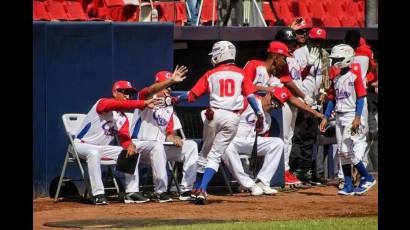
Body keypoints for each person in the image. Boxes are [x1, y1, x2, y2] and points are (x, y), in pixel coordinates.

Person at [173, 41, 264, 204]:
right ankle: (201, 189)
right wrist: (259, 114)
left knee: (205, 152)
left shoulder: (210, 73)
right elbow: (250, 97)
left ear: (218, 55)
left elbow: (192, 95)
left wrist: (174, 99)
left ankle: (197, 187)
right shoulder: (241, 74)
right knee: (215, 155)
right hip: (233, 117)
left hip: (213, 114)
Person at [222, 83, 324, 196]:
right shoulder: (249, 101)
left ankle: (262, 182)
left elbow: (262, 137)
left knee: (277, 143)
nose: (274, 106)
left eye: (278, 105)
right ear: (268, 95)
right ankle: (248, 184)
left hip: (251, 143)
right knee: (226, 147)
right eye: (274, 102)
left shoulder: (268, 118)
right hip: (233, 140)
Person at [73, 80, 157, 205]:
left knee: (132, 153)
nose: (127, 96)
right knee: (93, 153)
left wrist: (130, 146)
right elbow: (116, 105)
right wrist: (143, 103)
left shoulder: (122, 118)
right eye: (124, 92)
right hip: (81, 145)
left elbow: (125, 139)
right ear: (114, 92)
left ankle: (131, 192)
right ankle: (98, 194)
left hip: (102, 148)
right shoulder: (102, 103)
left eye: (130, 94)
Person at [130, 69, 199, 201]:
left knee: (191, 146)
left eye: (171, 87)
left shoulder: (169, 108)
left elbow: (169, 133)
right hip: (139, 146)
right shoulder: (146, 98)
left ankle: (186, 189)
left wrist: (173, 137)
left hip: (159, 148)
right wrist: (171, 80)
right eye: (166, 86)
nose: (169, 89)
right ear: (159, 84)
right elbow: (150, 90)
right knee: (157, 146)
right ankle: (160, 191)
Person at [319, 44, 376, 195]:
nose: (335, 61)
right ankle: (349, 185)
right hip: (339, 116)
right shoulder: (336, 78)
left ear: (346, 59)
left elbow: (361, 98)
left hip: (351, 116)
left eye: (337, 58)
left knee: (346, 150)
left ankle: (367, 177)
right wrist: (325, 117)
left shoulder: (355, 75)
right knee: (341, 153)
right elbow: (332, 99)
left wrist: (358, 117)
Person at [273, 28, 316, 186]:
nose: (290, 45)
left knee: (289, 136)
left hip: (294, 99)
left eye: (292, 42)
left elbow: (297, 78)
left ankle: (285, 170)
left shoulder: (293, 57)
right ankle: (282, 171)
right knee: (284, 136)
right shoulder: (282, 59)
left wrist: (307, 69)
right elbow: (288, 81)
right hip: (285, 100)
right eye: (287, 42)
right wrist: (304, 96)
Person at [290, 27, 330, 184]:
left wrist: (323, 93)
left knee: (310, 136)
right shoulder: (298, 54)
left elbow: (326, 78)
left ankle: (305, 171)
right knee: (297, 136)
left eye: (320, 41)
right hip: (301, 100)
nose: (318, 44)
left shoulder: (325, 55)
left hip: (315, 102)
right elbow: (295, 77)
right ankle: (292, 169)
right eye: (315, 41)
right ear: (309, 39)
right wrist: (307, 66)